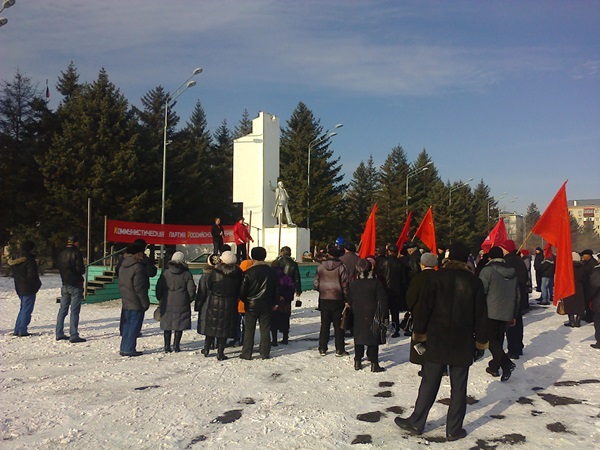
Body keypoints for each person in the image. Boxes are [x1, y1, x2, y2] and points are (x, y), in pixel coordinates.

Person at [395, 242, 488, 442]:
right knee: (459, 387)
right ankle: (454, 429)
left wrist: (419, 335)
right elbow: (481, 316)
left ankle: (416, 422)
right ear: (465, 259)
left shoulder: (435, 278)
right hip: (463, 340)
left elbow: (424, 310)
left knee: (429, 382)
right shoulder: (474, 282)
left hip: (437, 338)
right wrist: (481, 343)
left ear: (448, 257)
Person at [479, 246, 519, 382]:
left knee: (490, 339)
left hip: (490, 309)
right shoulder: (512, 271)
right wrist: (514, 313)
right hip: (507, 310)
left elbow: (481, 291)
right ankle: (495, 367)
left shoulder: (487, 271)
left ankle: (506, 364)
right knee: (498, 339)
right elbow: (517, 294)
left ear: (490, 257)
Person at [239, 247, 280, 360]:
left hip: (251, 304)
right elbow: (276, 289)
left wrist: (246, 300)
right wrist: (275, 302)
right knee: (265, 329)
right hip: (267, 304)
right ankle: (265, 352)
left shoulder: (248, 272)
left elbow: (242, 291)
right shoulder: (272, 272)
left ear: (252, 257)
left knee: (249, 329)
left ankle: (247, 352)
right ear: (264, 256)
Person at [348, 258, 388, 372]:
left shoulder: (354, 283)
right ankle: (374, 363)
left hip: (358, 313)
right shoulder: (376, 283)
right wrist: (384, 314)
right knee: (373, 337)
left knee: (359, 337)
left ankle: (357, 361)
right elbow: (382, 300)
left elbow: (349, 299)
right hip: (373, 313)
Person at [202, 251, 243, 360]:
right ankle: (220, 353)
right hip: (230, 302)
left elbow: (209, 285)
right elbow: (240, 289)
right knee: (224, 328)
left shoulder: (215, 272)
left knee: (212, 325)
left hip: (214, 301)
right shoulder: (238, 274)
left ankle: (206, 348)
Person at [156, 251, 196, 353]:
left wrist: (161, 298)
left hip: (167, 300)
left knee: (167, 324)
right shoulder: (186, 274)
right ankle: (176, 346)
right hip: (181, 300)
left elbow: (159, 288)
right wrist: (189, 299)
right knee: (179, 324)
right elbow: (191, 290)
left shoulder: (165, 273)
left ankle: (166, 346)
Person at [314, 244, 350, 356]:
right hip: (337, 298)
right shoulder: (342, 267)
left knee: (324, 324)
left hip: (324, 298)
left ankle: (322, 348)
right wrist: (346, 298)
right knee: (338, 326)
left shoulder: (320, 267)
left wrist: (322, 289)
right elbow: (345, 284)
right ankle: (339, 349)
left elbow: (316, 283)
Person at [116, 238, 157, 336]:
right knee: (138, 309)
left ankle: (123, 329)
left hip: (125, 286)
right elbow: (152, 273)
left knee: (126, 309)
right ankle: (134, 331)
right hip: (140, 285)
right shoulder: (144, 260)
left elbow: (117, 270)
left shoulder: (124, 259)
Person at [405, 252, 437, 374]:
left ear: (422, 264)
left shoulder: (417, 278)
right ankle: (441, 366)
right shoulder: (440, 277)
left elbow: (411, 296)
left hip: (420, 313)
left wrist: (412, 309)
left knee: (422, 339)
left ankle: (424, 365)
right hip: (438, 313)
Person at [118, 243, 150, 356]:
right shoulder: (138, 267)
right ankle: (129, 348)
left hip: (126, 298)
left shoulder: (123, 265)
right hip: (136, 301)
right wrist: (145, 303)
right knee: (134, 326)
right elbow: (139, 288)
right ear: (138, 253)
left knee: (127, 325)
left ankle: (124, 347)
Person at [500, 239, 529, 360]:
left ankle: (513, 349)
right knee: (518, 322)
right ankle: (518, 346)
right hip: (520, 294)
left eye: (503, 248)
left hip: (512, 295)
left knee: (511, 323)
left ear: (507, 249)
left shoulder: (509, 261)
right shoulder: (519, 260)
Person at [56, 235, 87, 343]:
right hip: (76, 283)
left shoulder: (61, 253)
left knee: (62, 310)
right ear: (76, 242)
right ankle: (73, 334)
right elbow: (80, 269)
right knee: (74, 310)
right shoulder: (77, 253)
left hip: (65, 283)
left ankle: (59, 332)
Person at [9, 240, 42, 337]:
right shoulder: (29, 260)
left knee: (23, 308)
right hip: (28, 287)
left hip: (19, 286)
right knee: (27, 309)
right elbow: (32, 276)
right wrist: (37, 284)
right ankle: (22, 330)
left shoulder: (15, 259)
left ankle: (17, 329)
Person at [273, 246, 303, 344]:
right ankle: (285, 336)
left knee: (275, 315)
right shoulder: (293, 264)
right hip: (288, 291)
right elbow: (297, 278)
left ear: (281, 252)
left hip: (277, 292)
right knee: (286, 314)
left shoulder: (277, 262)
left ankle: (274, 338)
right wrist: (298, 290)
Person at [378, 244, 408, 338]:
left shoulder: (383, 262)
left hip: (385, 290)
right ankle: (396, 329)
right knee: (395, 312)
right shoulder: (400, 264)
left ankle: (384, 329)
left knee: (384, 311)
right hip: (396, 291)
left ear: (389, 252)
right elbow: (404, 279)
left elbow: (379, 275)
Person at [562, 252, 586, 328]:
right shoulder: (582, 267)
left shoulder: (567, 268)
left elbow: (563, 278)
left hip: (569, 287)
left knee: (569, 304)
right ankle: (578, 321)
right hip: (579, 287)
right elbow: (585, 279)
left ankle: (571, 321)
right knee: (580, 304)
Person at [580, 249, 597, 323]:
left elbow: (593, 275)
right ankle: (588, 315)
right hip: (586, 285)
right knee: (586, 301)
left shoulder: (592, 263)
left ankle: (590, 316)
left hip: (590, 285)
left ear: (588, 255)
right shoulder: (585, 262)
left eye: (584, 255)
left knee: (590, 301)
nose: (583, 257)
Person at [588, 254, 600, 349]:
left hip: (598, 300)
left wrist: (589, 296)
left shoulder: (597, 271)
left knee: (598, 321)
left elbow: (594, 285)